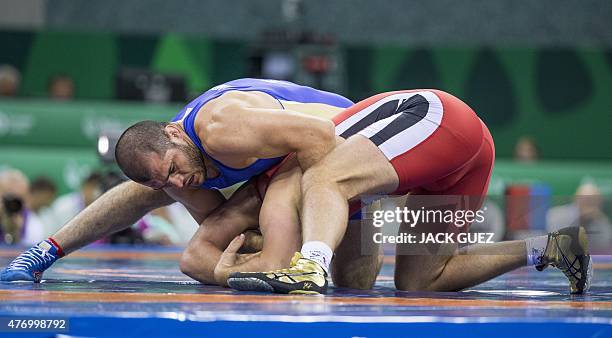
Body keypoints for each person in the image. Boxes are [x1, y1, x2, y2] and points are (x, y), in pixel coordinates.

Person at [226, 90, 591, 295]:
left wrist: (280, 258)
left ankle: (311, 266)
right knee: (420, 280)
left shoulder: (290, 176)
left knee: (322, 177)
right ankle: (550, 247)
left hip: (439, 118)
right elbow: (359, 279)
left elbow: (321, 182)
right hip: (460, 155)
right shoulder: (334, 202)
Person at [0, 78, 355, 284]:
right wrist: (264, 250)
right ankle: (42, 252)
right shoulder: (176, 171)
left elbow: (322, 137)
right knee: (353, 283)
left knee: (288, 211)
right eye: (168, 182)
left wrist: (310, 236)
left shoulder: (221, 129)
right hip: (297, 157)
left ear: (175, 134)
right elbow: (230, 238)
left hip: (352, 133)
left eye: (174, 169)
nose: (182, 183)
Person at [547, 182, 611, 250]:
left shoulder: (600, 220)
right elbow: (555, 239)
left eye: (595, 201)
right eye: (587, 200)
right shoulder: (557, 213)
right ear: (576, 199)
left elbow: (604, 244)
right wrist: (581, 220)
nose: (590, 204)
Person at [0, 169, 45, 245]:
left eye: (18, 200)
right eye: (7, 198)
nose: (12, 204)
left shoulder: (33, 224)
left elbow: (29, 254)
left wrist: (14, 234)